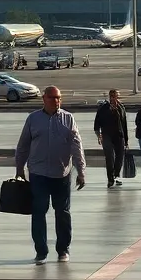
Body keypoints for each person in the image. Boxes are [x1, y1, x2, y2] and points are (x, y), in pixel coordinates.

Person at [15, 86, 87, 265]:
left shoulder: (68, 119)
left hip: (61, 173)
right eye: (53, 98)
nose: (57, 101)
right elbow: (23, 145)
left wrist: (81, 171)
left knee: (62, 212)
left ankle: (63, 249)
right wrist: (19, 168)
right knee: (39, 211)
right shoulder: (33, 119)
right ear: (44, 99)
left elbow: (76, 146)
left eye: (59, 98)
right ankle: (41, 251)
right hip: (38, 174)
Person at [94, 89, 130, 188]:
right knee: (109, 157)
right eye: (113, 96)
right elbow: (97, 123)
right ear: (110, 97)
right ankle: (110, 179)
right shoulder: (103, 108)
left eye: (117, 96)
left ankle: (116, 174)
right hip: (107, 135)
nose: (115, 99)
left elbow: (124, 124)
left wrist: (126, 140)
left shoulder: (121, 108)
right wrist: (99, 135)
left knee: (120, 157)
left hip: (119, 135)